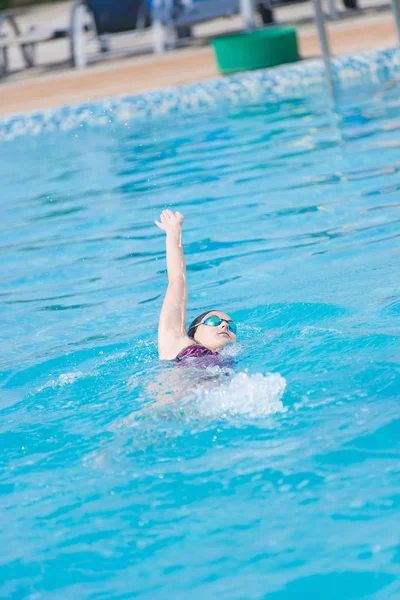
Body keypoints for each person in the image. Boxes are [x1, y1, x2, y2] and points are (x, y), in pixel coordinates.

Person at [155, 209, 237, 361]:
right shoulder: (176, 342)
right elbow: (177, 280)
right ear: (194, 331)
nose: (225, 326)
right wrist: (174, 232)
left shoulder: (228, 359)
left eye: (232, 327)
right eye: (213, 321)